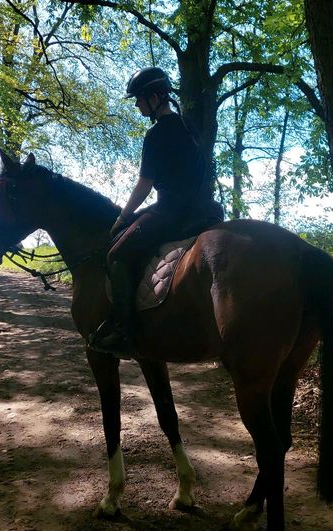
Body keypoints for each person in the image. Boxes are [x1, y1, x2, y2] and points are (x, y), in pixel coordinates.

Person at [89, 67, 223, 357]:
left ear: (155, 97)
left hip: (172, 210)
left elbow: (144, 185)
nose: (137, 105)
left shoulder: (157, 133)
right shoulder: (189, 127)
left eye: (139, 99)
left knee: (117, 253)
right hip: (204, 209)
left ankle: (125, 332)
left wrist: (123, 217)